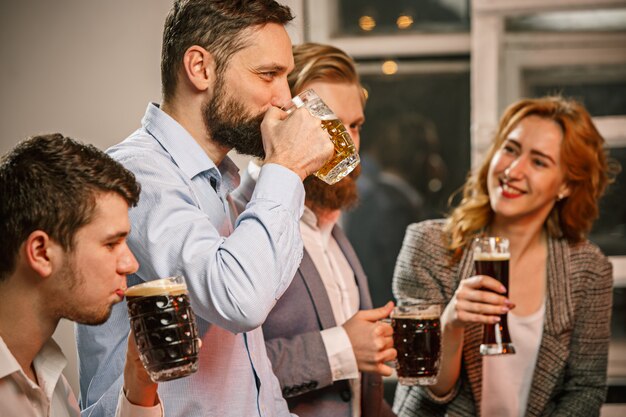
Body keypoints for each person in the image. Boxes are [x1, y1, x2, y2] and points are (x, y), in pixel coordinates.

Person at [76, 1, 334, 417]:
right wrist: (285, 165)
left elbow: (250, 373)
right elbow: (240, 302)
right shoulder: (134, 175)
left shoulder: (219, 182)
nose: (284, 97)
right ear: (200, 68)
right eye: (268, 74)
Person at [391, 96, 620, 417]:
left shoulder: (587, 268)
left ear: (566, 185)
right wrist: (452, 322)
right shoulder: (428, 244)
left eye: (539, 162)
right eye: (510, 149)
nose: (513, 170)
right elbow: (420, 384)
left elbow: (585, 389)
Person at [233, 42, 397, 417]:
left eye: (355, 127)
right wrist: (341, 348)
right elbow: (228, 374)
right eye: (333, 127)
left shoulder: (332, 227)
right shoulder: (237, 221)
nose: (349, 147)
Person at [0, 134, 163, 417]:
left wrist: (139, 385)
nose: (131, 264)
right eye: (111, 244)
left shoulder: (49, 376)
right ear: (41, 252)